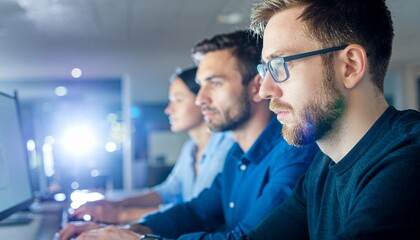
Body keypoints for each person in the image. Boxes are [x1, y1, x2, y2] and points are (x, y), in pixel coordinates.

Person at [57, 30, 319, 240]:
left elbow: (245, 238)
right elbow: (196, 211)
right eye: (201, 86)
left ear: (256, 87)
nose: (201, 99)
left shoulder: (294, 151)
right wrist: (132, 230)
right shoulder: (235, 155)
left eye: (215, 83)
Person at [242, 0, 420, 239]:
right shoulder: (322, 168)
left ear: (349, 66)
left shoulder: (409, 159)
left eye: (281, 64)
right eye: (266, 69)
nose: (264, 90)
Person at [71, 67, 235, 224]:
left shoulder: (228, 146)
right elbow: (168, 192)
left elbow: (197, 210)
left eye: (178, 99)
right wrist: (115, 204)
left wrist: (121, 215)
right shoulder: (190, 148)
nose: (168, 109)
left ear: (202, 100)